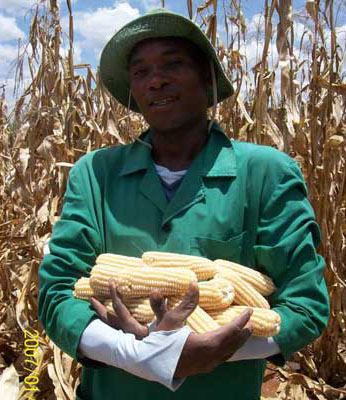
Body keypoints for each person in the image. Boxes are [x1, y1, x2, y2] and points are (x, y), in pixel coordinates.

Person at [38, 8, 330, 400]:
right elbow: (57, 292)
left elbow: (305, 305)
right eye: (140, 72)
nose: (155, 81)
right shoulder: (95, 174)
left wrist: (214, 350)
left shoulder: (267, 173)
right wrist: (134, 354)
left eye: (173, 65)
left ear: (207, 80)